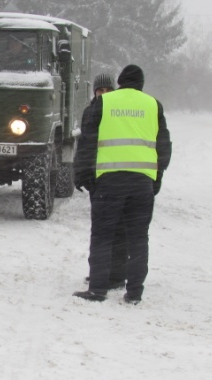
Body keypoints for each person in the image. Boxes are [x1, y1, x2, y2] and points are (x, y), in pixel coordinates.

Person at [73, 64, 172, 305]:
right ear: (141, 83)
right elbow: (164, 147)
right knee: (138, 237)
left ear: (120, 81)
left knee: (103, 235)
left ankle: (97, 290)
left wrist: (83, 175)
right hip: (141, 183)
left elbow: (88, 141)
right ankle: (134, 293)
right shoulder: (153, 105)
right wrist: (155, 181)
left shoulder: (104, 103)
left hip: (109, 181)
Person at [76, 73, 128, 291]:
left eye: (108, 90)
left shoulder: (115, 112)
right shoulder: (90, 112)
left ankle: (114, 275)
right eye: (100, 90)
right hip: (98, 178)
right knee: (105, 230)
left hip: (113, 177)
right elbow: (85, 145)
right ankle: (101, 273)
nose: (104, 94)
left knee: (113, 230)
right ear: (95, 92)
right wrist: (82, 173)